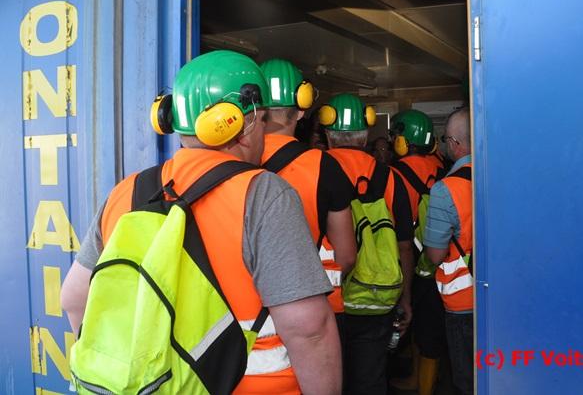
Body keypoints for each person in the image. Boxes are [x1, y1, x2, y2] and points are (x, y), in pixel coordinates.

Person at [60, 50, 341, 395]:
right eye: (263, 119)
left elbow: (74, 298)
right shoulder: (264, 193)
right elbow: (309, 330)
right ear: (244, 123)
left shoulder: (127, 190)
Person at [320, 93, 414, 395]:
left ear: (328, 132)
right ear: (366, 134)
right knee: (370, 380)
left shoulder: (314, 170)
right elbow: (404, 246)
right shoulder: (391, 178)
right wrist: (405, 298)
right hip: (378, 299)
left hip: (328, 300)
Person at [259, 58, 356, 336]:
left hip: (248, 311)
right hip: (314, 309)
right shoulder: (324, 165)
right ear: (301, 109)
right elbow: (347, 256)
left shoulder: (230, 161)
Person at [388, 110, 447, 395]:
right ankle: (421, 381)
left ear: (403, 141)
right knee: (430, 326)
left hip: (409, 258)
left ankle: (419, 385)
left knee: (409, 318)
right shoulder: (441, 167)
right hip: (440, 259)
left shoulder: (394, 174)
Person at [424, 106, 473, 395]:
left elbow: (435, 255)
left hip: (463, 300)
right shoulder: (503, 176)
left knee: (466, 380)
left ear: (454, 144)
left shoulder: (445, 189)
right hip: (504, 298)